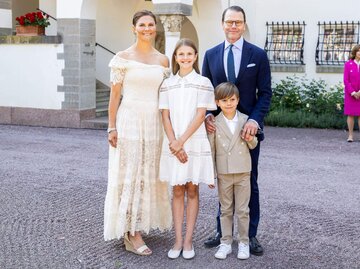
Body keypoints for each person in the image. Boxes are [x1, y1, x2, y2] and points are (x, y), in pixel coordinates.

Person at [202, 5, 272, 256]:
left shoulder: (258, 55)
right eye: (229, 22)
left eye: (238, 22)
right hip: (220, 132)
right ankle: (223, 234)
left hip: (248, 132)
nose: (233, 26)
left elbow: (265, 94)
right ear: (222, 24)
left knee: (249, 183)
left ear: (243, 25)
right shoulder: (210, 55)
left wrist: (254, 120)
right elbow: (207, 94)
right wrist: (209, 115)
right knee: (223, 183)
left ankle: (249, 235)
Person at [103, 10, 172, 256]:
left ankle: (137, 224)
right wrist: (111, 126)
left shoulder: (163, 60)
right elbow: (114, 95)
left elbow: (166, 97)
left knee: (148, 173)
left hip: (153, 122)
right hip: (129, 120)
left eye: (150, 24)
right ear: (134, 28)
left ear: (155, 27)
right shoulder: (122, 57)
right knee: (130, 172)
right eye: (142, 24)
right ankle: (132, 234)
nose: (146, 28)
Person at [159, 38, 217, 260]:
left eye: (189, 54)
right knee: (176, 190)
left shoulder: (203, 82)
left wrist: (181, 141)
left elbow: (201, 115)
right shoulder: (167, 84)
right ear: (175, 57)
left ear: (195, 57)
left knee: (192, 189)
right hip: (173, 142)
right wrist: (174, 142)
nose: (185, 58)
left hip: (193, 141)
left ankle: (189, 240)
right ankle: (177, 240)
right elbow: (165, 115)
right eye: (181, 54)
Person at [208, 82, 258, 260]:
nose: (228, 103)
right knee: (226, 210)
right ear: (217, 102)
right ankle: (226, 242)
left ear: (238, 100)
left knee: (243, 210)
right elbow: (212, 149)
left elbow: (254, 145)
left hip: (243, 170)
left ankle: (243, 242)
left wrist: (251, 138)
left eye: (232, 99)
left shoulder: (246, 119)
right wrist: (211, 174)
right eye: (224, 100)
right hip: (224, 172)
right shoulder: (214, 122)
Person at [343, 44, 360, 142]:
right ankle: (350, 136)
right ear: (355, 52)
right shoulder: (348, 64)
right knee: (350, 114)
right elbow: (346, 80)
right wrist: (353, 92)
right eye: (359, 50)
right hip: (351, 94)